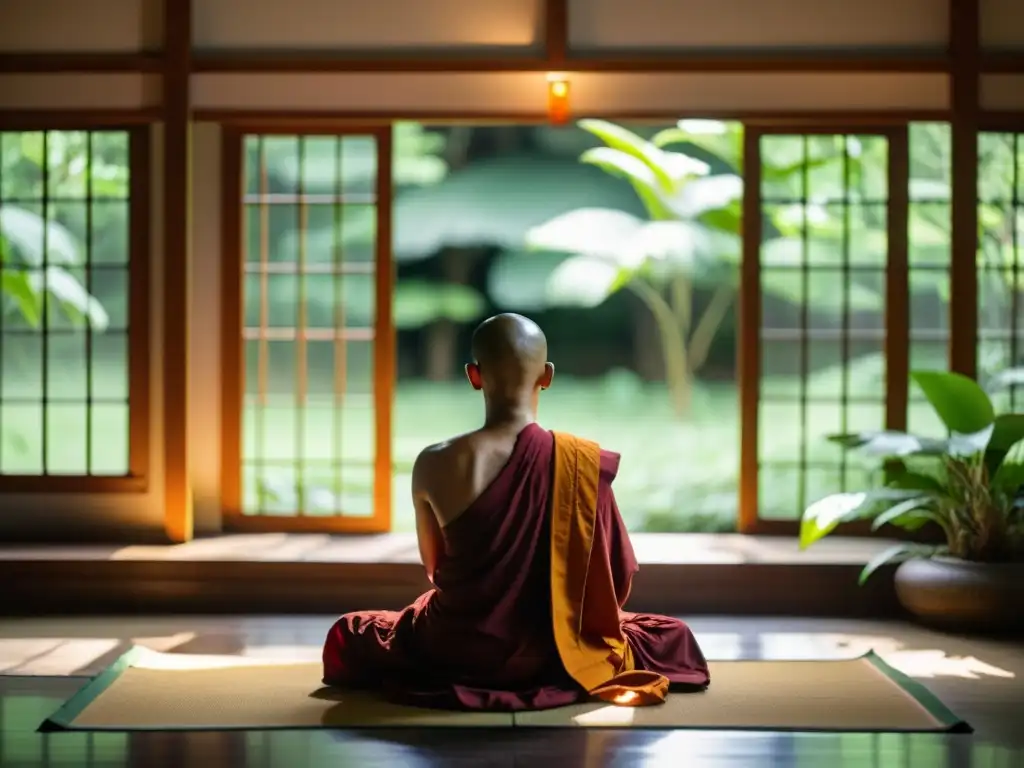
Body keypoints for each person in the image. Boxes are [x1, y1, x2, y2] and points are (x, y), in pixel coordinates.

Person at [322, 313, 709, 711]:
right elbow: (615, 581)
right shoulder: (579, 463)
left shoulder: (433, 462)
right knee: (671, 635)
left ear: (474, 375)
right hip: (556, 649)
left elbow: (435, 569)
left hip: (456, 645)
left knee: (353, 632)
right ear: (547, 375)